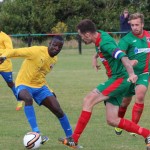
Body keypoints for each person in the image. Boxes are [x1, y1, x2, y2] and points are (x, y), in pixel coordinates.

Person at [58, 19, 150, 150]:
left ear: (88, 34)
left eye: (81, 35)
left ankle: (74, 139)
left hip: (119, 78)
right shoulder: (100, 35)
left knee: (88, 100)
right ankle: (147, 134)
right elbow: (105, 47)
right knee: (112, 120)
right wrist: (95, 57)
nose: (82, 38)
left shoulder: (104, 42)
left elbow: (122, 56)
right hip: (118, 78)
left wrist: (131, 74)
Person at [0, 35, 73, 145]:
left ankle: (71, 139)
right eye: (54, 45)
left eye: (59, 47)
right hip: (23, 84)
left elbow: (41, 76)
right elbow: (16, 52)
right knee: (28, 99)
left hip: (40, 87)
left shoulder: (54, 59)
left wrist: (50, 90)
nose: (56, 48)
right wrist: (4, 56)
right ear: (49, 44)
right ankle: (36, 133)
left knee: (58, 109)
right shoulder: (36, 51)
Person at [114, 12, 150, 136]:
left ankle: (133, 127)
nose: (134, 27)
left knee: (140, 96)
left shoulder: (149, 37)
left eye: (137, 25)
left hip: (144, 74)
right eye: (132, 25)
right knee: (125, 102)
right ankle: (119, 123)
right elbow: (119, 58)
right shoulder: (126, 39)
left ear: (142, 24)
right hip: (129, 75)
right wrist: (130, 63)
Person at [0, 31, 23, 111]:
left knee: (10, 84)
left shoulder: (5, 37)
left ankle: (20, 100)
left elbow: (10, 50)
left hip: (5, 65)